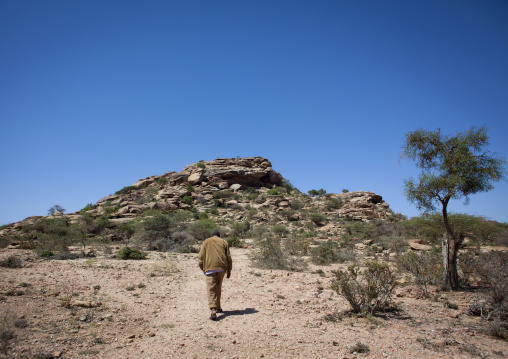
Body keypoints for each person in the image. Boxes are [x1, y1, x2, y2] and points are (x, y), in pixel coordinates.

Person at [198, 230, 232, 320]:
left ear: (211, 235)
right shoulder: (224, 242)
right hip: (221, 268)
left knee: (211, 289)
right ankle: (218, 307)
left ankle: (213, 309)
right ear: (219, 236)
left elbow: (200, 257)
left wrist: (203, 268)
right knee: (218, 287)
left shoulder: (206, 242)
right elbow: (229, 257)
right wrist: (229, 270)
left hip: (210, 269)